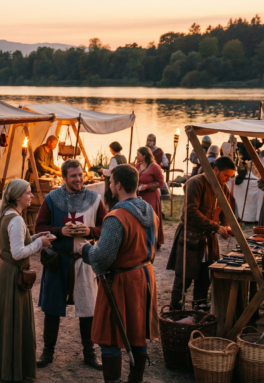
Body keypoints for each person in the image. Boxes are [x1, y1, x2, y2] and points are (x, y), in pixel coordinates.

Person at [82, 164, 160, 383]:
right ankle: (136, 380)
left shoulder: (117, 217)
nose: (109, 184)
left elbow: (101, 258)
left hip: (122, 281)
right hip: (144, 277)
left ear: (118, 185)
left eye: (110, 181)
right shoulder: (149, 211)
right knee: (137, 330)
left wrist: (86, 249)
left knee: (110, 334)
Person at [34, 159, 106, 370]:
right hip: (58, 259)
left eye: (80, 174)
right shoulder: (51, 199)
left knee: (88, 308)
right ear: (64, 178)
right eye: (73, 176)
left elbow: (106, 226)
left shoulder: (94, 199)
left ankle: (89, 353)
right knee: (52, 308)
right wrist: (59, 231)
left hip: (85, 260)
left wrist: (90, 232)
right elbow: (39, 226)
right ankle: (47, 353)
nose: (78, 179)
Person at [0, 179, 54, 381]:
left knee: (4, 317)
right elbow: (17, 252)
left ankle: (2, 364)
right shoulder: (15, 220)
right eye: (28, 193)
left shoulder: (7, 214)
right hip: (12, 273)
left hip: (3, 270)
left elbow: (19, 242)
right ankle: (11, 368)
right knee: (13, 318)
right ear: (17, 196)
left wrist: (34, 237)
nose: (31, 196)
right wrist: (39, 243)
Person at [166, 157, 235, 310]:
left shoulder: (224, 188)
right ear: (216, 170)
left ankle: (199, 311)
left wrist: (226, 226)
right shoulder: (196, 182)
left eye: (231, 176)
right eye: (226, 175)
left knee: (205, 278)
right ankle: (174, 313)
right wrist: (216, 227)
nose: (228, 179)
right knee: (183, 279)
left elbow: (225, 211)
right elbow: (191, 212)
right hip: (190, 236)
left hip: (209, 240)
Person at [135, 147, 165, 247]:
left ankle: (153, 240)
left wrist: (147, 186)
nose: (137, 156)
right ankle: (142, 240)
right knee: (140, 217)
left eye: (138, 154)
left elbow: (160, 182)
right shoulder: (137, 166)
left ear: (144, 156)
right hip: (140, 196)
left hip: (151, 195)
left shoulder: (155, 167)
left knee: (151, 218)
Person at [99, 141, 127, 210]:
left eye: (110, 149)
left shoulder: (114, 159)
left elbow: (111, 172)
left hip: (115, 184)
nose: (110, 151)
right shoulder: (124, 158)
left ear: (113, 149)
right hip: (122, 183)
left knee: (113, 204)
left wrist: (102, 171)